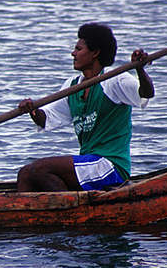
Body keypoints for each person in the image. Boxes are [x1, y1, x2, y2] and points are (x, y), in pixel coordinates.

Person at [16, 23, 152, 192]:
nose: (73, 53)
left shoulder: (113, 80)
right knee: (25, 175)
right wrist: (32, 110)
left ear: (95, 53)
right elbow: (46, 119)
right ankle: (41, 214)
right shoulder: (72, 86)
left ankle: (68, 214)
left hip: (110, 167)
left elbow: (146, 93)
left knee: (38, 170)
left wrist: (139, 70)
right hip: (88, 164)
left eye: (78, 49)